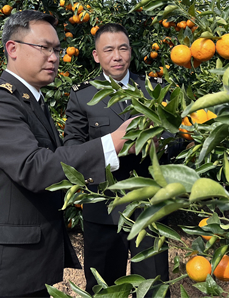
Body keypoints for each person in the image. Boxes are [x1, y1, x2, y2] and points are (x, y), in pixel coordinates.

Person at [0, 11, 134, 298]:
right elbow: (34, 168)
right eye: (44, 48)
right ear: (12, 49)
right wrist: (112, 143)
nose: (54, 57)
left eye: (57, 50)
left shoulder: (31, 102)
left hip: (25, 268)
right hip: (1, 273)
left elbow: (57, 160)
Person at [63, 23, 169, 293]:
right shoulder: (83, 95)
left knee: (153, 286)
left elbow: (177, 133)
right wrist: (115, 147)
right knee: (105, 288)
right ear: (96, 56)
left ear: (130, 51)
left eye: (123, 48)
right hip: (104, 207)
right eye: (108, 50)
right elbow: (73, 148)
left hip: (149, 206)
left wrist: (161, 144)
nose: (117, 56)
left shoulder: (153, 88)